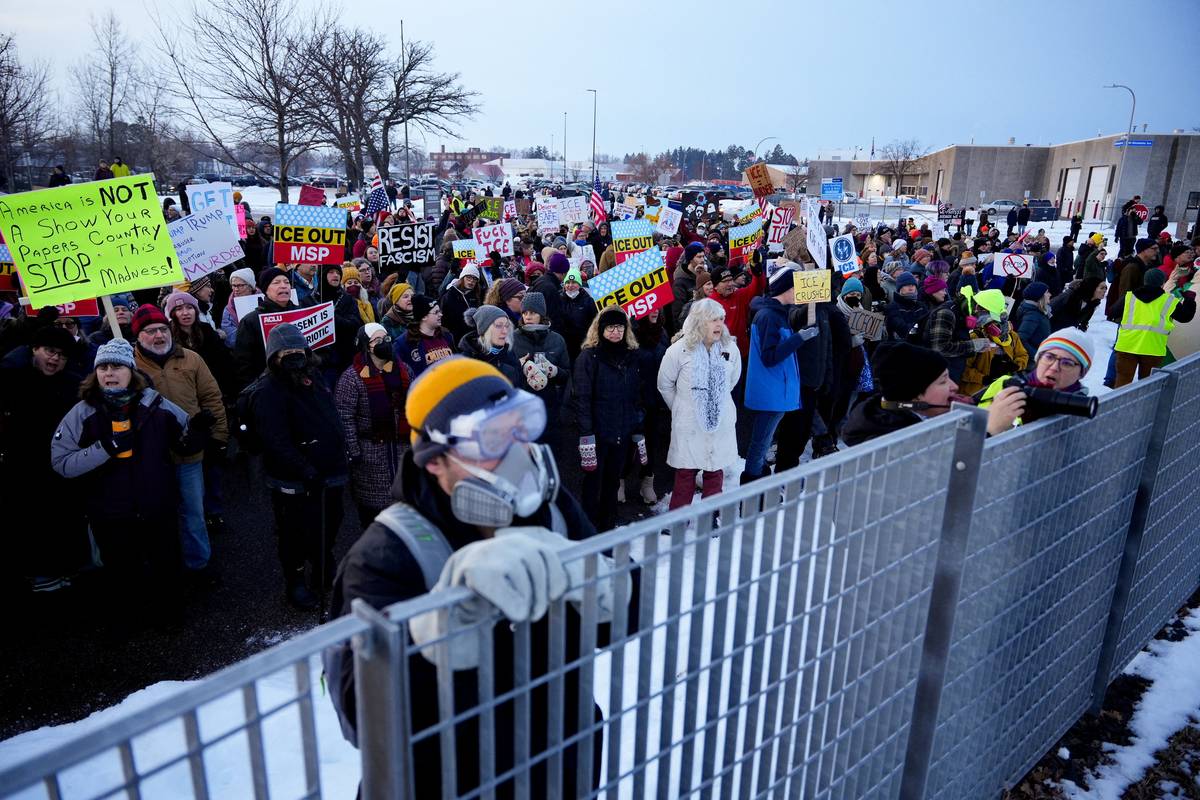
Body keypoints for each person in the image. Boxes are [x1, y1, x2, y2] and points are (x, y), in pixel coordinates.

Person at [325, 356, 630, 797]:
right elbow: (363, 721)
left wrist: (607, 581)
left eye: (520, 427)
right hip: (452, 778)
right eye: (491, 439)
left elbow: (625, 618)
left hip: (559, 761)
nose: (516, 454)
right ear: (435, 461)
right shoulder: (387, 553)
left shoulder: (550, 510)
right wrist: (431, 631)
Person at [50, 339, 205, 627]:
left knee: (165, 565)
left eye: (117, 366)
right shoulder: (82, 413)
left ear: (131, 371)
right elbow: (62, 464)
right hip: (111, 512)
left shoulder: (155, 404)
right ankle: (127, 620)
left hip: (156, 506)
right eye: (104, 367)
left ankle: (170, 615)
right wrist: (104, 448)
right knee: (122, 571)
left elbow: (185, 442)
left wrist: (197, 432)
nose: (109, 373)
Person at [250, 323, 348, 609]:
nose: (294, 356)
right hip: (296, 479)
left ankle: (322, 561)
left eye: (298, 350)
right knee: (294, 532)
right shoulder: (268, 390)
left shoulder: (312, 376)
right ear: (274, 357)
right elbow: (275, 440)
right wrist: (305, 470)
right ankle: (295, 580)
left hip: (330, 471)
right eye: (286, 352)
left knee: (331, 521)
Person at [131, 303, 227, 574]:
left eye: (162, 329)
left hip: (189, 451)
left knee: (193, 512)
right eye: (150, 331)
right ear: (138, 336)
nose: (159, 336)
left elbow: (211, 398)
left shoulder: (191, 358)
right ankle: (163, 568)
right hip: (149, 457)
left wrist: (218, 436)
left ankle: (199, 564)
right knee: (154, 514)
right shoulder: (129, 365)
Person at [0, 326, 90, 592]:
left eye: (62, 355)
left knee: (62, 521)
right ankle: (38, 574)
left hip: (62, 468)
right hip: (24, 468)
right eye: (50, 351)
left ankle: (63, 570)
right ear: (34, 350)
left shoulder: (73, 383)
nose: (55, 359)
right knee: (31, 523)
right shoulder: (16, 378)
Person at [842, 341, 1025, 446]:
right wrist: (987, 433)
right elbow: (938, 476)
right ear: (915, 396)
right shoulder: (889, 441)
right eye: (943, 381)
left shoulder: (912, 416)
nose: (954, 386)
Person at [656, 298, 740, 508]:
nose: (719, 324)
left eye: (721, 319)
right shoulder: (679, 350)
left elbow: (733, 379)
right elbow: (665, 384)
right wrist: (681, 407)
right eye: (713, 320)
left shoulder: (730, 348)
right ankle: (678, 521)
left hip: (720, 421)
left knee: (715, 471)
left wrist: (715, 403)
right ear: (698, 322)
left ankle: (709, 518)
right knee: (685, 473)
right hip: (689, 424)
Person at [742, 264, 819, 481]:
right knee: (760, 445)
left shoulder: (777, 313)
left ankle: (757, 485)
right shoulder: (768, 316)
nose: (799, 293)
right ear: (786, 288)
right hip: (771, 394)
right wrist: (799, 337)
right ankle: (752, 493)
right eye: (796, 288)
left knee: (762, 443)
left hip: (777, 392)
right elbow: (770, 357)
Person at [335, 323, 413, 530]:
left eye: (386, 338)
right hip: (370, 454)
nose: (384, 343)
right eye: (377, 340)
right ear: (366, 346)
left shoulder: (404, 370)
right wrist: (354, 451)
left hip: (401, 449)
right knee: (374, 519)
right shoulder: (352, 378)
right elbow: (345, 417)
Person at [572, 306, 644, 531]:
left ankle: (608, 526)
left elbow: (636, 395)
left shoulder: (632, 356)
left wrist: (636, 425)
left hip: (622, 430)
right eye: (610, 327)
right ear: (600, 329)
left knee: (613, 482)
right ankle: (588, 528)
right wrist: (586, 435)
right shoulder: (589, 356)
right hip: (597, 432)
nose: (615, 332)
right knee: (593, 484)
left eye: (620, 327)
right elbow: (581, 397)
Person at [976, 329, 1094, 423]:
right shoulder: (1006, 383)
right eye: (1049, 357)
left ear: (1081, 373)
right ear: (1038, 359)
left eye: (1067, 363)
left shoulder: (1079, 417)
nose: (1054, 367)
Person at [1113, 268, 1197, 387]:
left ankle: (1118, 405)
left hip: (1127, 346)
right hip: (1153, 348)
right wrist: (1189, 300)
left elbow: (1113, 312)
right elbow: (1186, 317)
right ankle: (1145, 405)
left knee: (1122, 382)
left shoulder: (1129, 297)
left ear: (1145, 281)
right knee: (1148, 385)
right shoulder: (1169, 301)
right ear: (1162, 283)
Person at [509, 293, 570, 437]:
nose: (528, 317)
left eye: (533, 312)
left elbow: (567, 374)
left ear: (542, 315)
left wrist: (555, 371)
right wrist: (520, 367)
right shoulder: (512, 339)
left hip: (550, 408)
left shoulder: (557, 340)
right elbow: (504, 374)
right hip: (521, 409)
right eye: (525, 313)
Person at [233, 267, 300, 389]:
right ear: (266, 290)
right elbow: (243, 363)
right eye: (276, 282)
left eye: (286, 282)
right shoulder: (251, 321)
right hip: (270, 387)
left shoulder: (302, 313)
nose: (283, 286)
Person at [958, 288, 1029, 397]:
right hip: (976, 394)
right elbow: (962, 368)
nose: (975, 310)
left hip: (1001, 393)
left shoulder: (1011, 336)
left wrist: (1015, 366)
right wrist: (983, 378)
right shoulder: (975, 336)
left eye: (979, 307)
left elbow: (1022, 355)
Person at [708, 260, 765, 363]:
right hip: (720, 356)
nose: (730, 284)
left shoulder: (739, 295)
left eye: (731, 280)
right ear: (716, 285)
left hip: (742, 352)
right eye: (725, 281)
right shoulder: (709, 304)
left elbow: (757, 288)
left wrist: (757, 273)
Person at [393, 294, 455, 377]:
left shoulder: (446, 336)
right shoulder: (403, 343)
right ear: (424, 317)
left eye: (440, 311)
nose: (441, 314)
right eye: (436, 312)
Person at [458, 305, 522, 385]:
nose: (505, 331)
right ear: (485, 329)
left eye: (506, 326)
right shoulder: (468, 359)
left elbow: (519, 387)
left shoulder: (510, 353)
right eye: (499, 326)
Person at [559, 267, 596, 362]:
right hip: (565, 345)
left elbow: (594, 322)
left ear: (579, 284)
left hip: (583, 343)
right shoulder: (559, 300)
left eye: (574, 282)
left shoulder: (588, 301)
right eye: (567, 282)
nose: (570, 285)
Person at [439, 264, 480, 345]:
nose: (471, 281)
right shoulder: (449, 295)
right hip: (455, 340)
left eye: (474, 279)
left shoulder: (475, 296)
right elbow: (443, 320)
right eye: (468, 277)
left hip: (472, 339)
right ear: (462, 278)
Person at [220, 268, 258, 348]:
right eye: (233, 285)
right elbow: (230, 335)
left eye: (240, 285)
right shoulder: (229, 309)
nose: (236, 289)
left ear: (250, 286)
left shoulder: (263, 301)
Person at [1012, 281, 1052, 353]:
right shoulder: (1033, 315)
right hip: (1032, 361)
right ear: (1040, 296)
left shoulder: (1038, 311)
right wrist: (1036, 355)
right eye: (1047, 292)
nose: (1050, 294)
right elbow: (1020, 339)